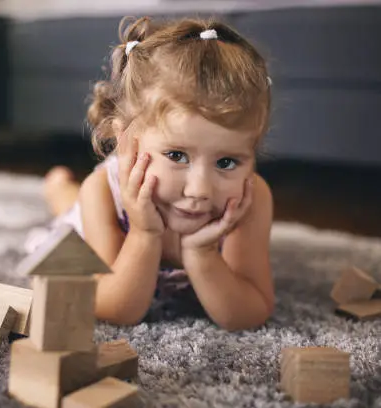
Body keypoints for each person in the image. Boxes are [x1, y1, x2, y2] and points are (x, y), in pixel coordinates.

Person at [26, 16, 275, 331]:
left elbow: (250, 313)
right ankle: (57, 187)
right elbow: (115, 309)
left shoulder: (249, 200)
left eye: (226, 162)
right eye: (176, 155)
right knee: (70, 211)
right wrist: (144, 234)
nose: (200, 189)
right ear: (125, 141)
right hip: (104, 212)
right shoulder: (103, 190)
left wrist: (202, 254)